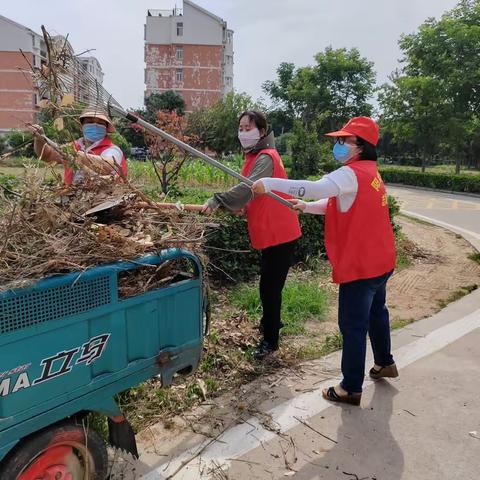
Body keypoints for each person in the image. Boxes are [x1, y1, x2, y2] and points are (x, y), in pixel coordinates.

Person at [252, 116, 397, 404]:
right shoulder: (370, 172)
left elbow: (316, 188)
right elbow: (337, 202)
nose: (338, 145)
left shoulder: (350, 174)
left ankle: (350, 387)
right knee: (376, 312)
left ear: (361, 146)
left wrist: (269, 183)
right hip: (381, 260)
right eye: (338, 140)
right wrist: (306, 207)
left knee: (353, 325)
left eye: (345, 141)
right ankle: (384, 362)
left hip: (360, 265)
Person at [202, 110, 301, 359]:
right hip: (272, 231)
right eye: (241, 128)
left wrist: (218, 199)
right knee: (269, 286)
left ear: (263, 132)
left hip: (280, 233)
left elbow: (248, 188)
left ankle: (270, 341)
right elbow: (255, 194)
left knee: (269, 288)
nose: (243, 132)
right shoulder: (255, 156)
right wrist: (241, 207)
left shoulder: (266, 157)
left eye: (249, 128)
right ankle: (271, 324)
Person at [32, 108, 127, 185]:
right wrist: (40, 139)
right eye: (90, 121)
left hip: (103, 202)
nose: (95, 125)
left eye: (100, 123)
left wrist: (77, 155)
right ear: (82, 126)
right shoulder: (73, 146)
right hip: (73, 199)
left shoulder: (112, 149)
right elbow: (46, 155)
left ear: (106, 128)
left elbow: (109, 166)